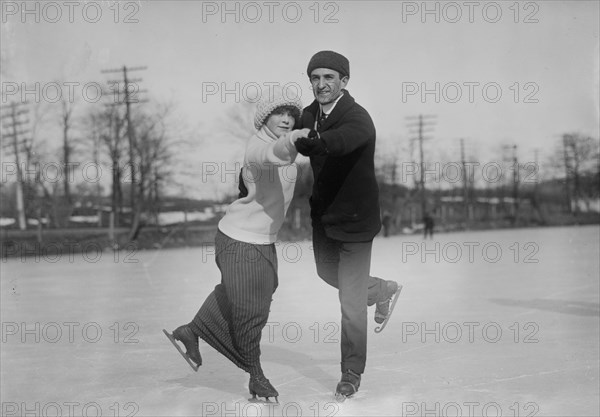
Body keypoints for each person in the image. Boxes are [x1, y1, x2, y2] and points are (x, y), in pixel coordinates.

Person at [164, 87, 310, 402]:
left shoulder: (281, 144)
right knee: (250, 309)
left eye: (290, 115)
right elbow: (273, 155)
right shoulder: (260, 144)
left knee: (256, 290)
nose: (285, 119)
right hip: (241, 240)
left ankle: (191, 330)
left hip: (259, 240)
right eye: (278, 114)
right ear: (265, 118)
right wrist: (295, 139)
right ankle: (255, 374)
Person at [294, 51, 402, 399]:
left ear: (344, 81)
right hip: (324, 218)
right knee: (328, 275)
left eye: (329, 77)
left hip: (355, 221)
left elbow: (346, 139)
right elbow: (285, 131)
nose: (321, 84)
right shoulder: (309, 114)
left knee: (350, 301)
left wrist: (321, 142)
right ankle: (382, 289)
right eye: (315, 78)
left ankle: (351, 372)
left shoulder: (357, 117)